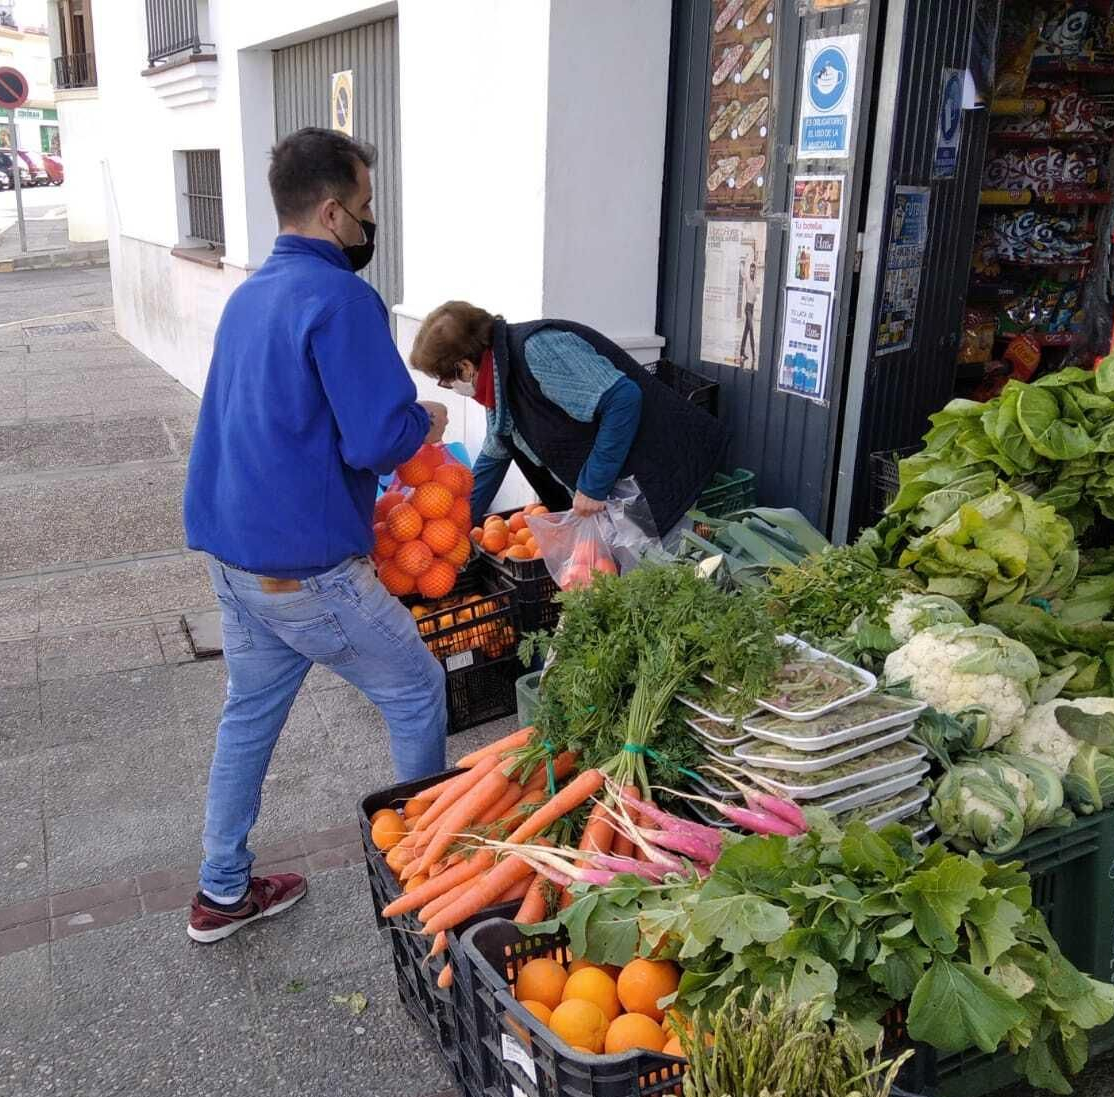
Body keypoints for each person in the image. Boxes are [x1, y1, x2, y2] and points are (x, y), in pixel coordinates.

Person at [182, 128, 450, 944]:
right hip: (307, 573)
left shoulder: (251, 293)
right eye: (365, 209)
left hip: (234, 561)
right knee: (415, 690)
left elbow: (285, 419)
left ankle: (220, 892)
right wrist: (423, 420)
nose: (369, 225)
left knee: (249, 720)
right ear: (333, 212)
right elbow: (376, 439)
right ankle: (435, 876)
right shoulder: (339, 299)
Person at [407, 302, 727, 536]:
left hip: (669, 472)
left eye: (443, 379)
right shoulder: (498, 386)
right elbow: (495, 453)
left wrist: (593, 485)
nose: (446, 388)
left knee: (683, 581)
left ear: (464, 366)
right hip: (633, 496)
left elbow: (623, 399)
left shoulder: (537, 349)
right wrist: (456, 530)